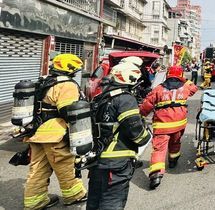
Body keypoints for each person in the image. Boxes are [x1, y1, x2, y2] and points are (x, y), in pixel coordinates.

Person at [22, 53, 88, 210]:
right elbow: (68, 111)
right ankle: (74, 195)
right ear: (70, 69)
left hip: (37, 132)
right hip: (55, 133)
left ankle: (34, 202)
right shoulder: (67, 85)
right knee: (64, 165)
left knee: (38, 168)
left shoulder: (45, 81)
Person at [87, 62, 151, 210]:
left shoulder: (101, 96)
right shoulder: (125, 99)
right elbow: (136, 132)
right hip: (116, 162)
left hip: (97, 159)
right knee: (112, 201)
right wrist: (146, 136)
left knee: (94, 201)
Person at [140, 65, 198, 189]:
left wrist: (141, 115)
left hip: (162, 125)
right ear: (181, 76)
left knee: (159, 149)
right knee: (175, 143)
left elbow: (146, 105)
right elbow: (194, 88)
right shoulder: (185, 88)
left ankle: (156, 175)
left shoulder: (158, 89)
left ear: (167, 75)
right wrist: (185, 80)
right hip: (179, 124)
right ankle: (173, 161)